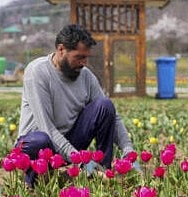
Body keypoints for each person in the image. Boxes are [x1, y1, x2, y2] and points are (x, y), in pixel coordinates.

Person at [16, 24, 137, 187]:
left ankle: (102, 172)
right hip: (36, 143)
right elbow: (47, 128)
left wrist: (128, 149)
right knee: (41, 140)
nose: (84, 63)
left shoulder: (86, 76)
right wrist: (80, 161)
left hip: (69, 139)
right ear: (61, 49)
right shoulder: (38, 72)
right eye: (79, 57)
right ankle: (36, 181)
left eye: (86, 57)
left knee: (104, 105)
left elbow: (112, 118)